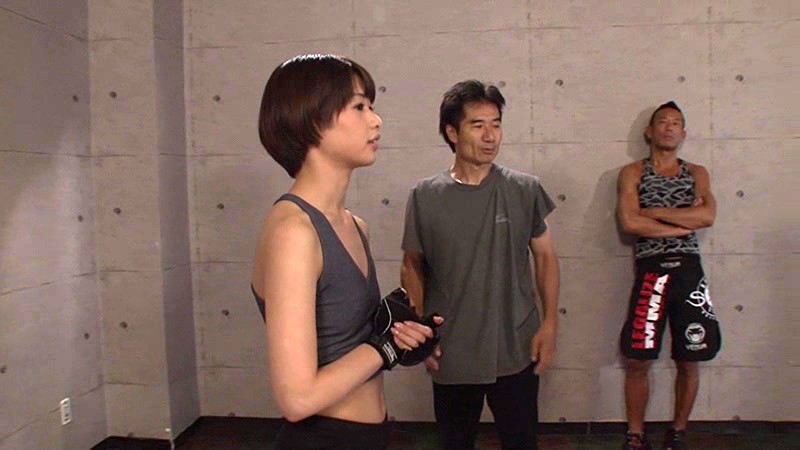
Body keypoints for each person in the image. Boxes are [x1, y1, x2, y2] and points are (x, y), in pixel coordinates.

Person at [251, 54, 441, 450]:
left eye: (371, 106)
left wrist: (398, 331)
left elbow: (349, 343)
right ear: (311, 120)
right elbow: (296, 400)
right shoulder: (294, 233)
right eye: (359, 107)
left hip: (369, 435)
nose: (376, 120)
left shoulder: (355, 225)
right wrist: (385, 347)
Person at [401, 80, 561, 450]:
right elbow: (412, 265)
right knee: (455, 442)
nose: (490, 136)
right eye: (478, 125)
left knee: (521, 442)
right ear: (452, 132)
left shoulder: (524, 189)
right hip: (452, 347)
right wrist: (422, 331)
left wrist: (550, 323)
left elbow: (546, 257)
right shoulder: (425, 196)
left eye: (496, 124)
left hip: (516, 345)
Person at [617, 101, 721, 450]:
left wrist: (653, 212)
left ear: (683, 133)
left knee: (690, 357)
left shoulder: (697, 172)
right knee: (637, 358)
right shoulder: (633, 172)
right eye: (663, 122)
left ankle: (678, 431)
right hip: (651, 270)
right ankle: (635, 435)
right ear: (650, 131)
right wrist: (682, 223)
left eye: (676, 123)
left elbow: (707, 217)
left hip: (689, 271)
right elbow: (629, 222)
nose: (669, 127)